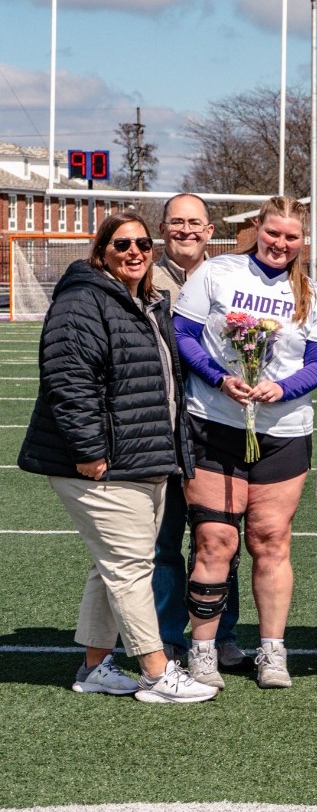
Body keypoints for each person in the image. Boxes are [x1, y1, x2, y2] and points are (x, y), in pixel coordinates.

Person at [19, 211, 216, 703]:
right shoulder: (83, 300)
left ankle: (94, 668)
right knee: (130, 567)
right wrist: (90, 452)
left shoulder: (144, 301)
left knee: (110, 565)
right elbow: (68, 381)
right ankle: (155, 671)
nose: (134, 251)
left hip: (143, 458)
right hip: (102, 464)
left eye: (142, 244)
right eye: (122, 244)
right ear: (101, 252)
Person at [173, 196, 317, 690]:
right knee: (214, 541)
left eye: (291, 236)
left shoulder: (313, 292)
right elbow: (184, 334)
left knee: (270, 542)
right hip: (215, 423)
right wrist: (220, 378)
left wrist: (282, 389)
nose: (280, 244)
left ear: (302, 240)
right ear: (257, 229)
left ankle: (271, 652)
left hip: (282, 433)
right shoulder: (218, 272)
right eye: (273, 233)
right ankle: (202, 652)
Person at [147, 192, 244, 669]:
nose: (186, 230)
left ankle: (222, 635)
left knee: (221, 534)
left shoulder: (232, 277)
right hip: (160, 426)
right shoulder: (141, 274)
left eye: (195, 223)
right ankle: (166, 639)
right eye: (176, 222)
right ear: (163, 228)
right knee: (164, 541)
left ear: (210, 230)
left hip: (219, 425)